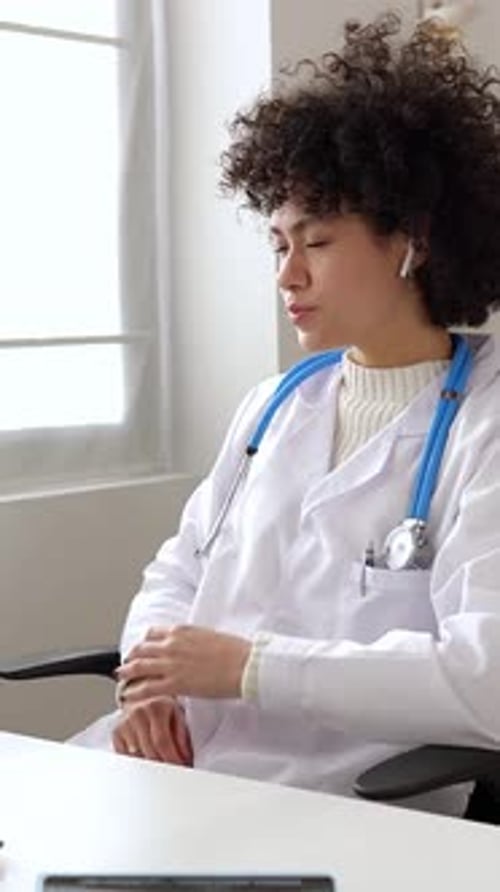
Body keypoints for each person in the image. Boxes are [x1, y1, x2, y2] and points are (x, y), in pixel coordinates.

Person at [79, 11, 500, 816]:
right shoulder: (275, 405)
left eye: (318, 242)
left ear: (411, 241)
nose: (287, 275)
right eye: (278, 244)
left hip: (340, 804)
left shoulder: (486, 422)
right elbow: (178, 573)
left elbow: (485, 680)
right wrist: (148, 685)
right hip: (172, 768)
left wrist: (249, 668)